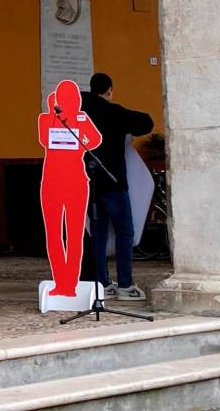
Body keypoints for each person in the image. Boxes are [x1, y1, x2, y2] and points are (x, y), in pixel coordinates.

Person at [82, 73, 154, 300]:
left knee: (98, 234)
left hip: (89, 183)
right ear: (109, 90)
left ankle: (102, 283)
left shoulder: (79, 113)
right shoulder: (113, 112)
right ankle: (125, 284)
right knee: (124, 232)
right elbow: (146, 122)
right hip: (113, 181)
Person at [38, 80, 102, 296]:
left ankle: (71, 283)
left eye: (71, 99)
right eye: (63, 99)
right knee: (54, 233)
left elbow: (95, 139)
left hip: (76, 181)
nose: (67, 102)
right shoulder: (46, 119)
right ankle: (60, 281)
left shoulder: (82, 119)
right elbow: (44, 139)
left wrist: (80, 134)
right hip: (52, 182)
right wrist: (52, 112)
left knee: (74, 234)